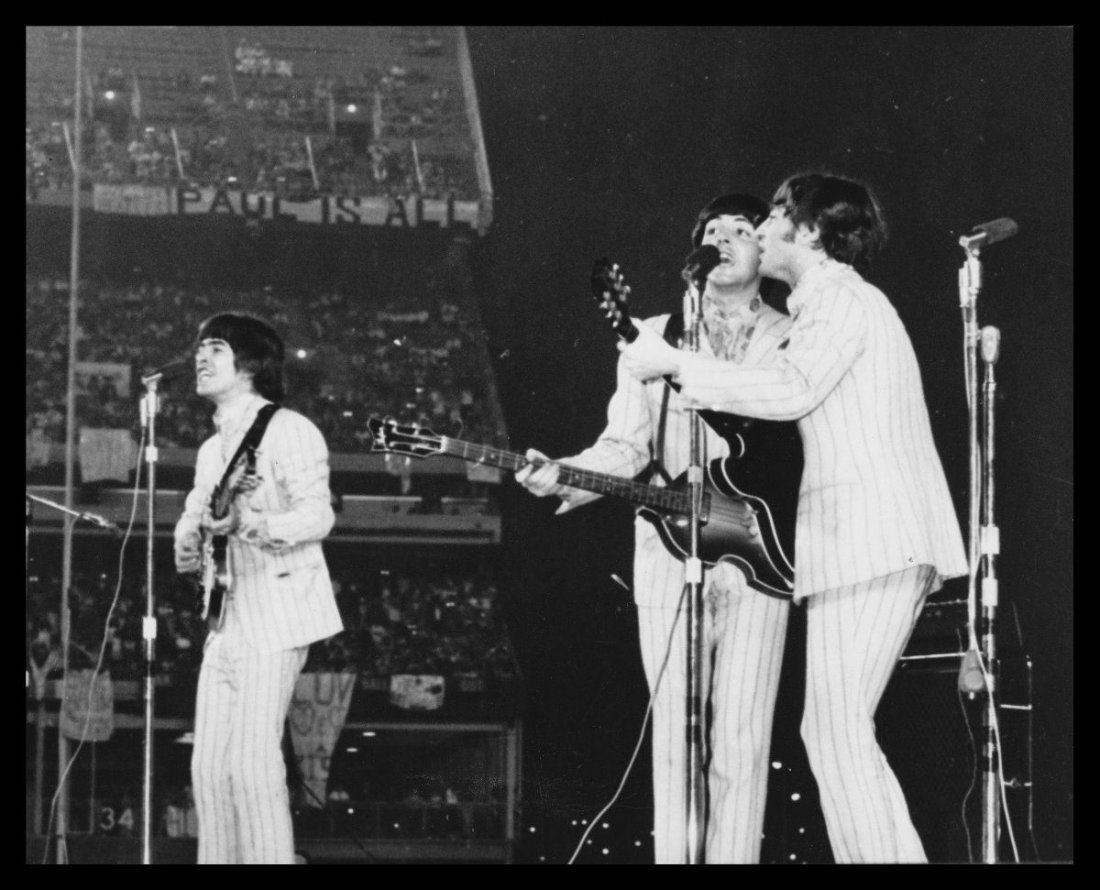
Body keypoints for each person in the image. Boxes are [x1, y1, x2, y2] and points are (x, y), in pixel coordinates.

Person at [617, 172, 969, 863]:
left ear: (809, 232)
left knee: (836, 732)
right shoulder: (829, 304)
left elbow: (791, 389)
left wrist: (676, 365)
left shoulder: (839, 299)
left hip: (871, 540)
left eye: (776, 215)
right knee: (833, 732)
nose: (765, 226)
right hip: (862, 544)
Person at [517, 194, 795, 863]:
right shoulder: (651, 336)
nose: (725, 239)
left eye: (742, 231)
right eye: (712, 230)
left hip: (763, 550)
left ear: (766, 251)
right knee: (675, 732)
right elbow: (624, 446)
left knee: (742, 736)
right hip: (669, 549)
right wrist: (565, 472)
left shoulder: (794, 334)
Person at [174, 312, 343, 864]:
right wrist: (187, 539)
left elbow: (318, 517)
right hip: (226, 618)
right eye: (200, 348)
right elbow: (197, 511)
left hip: (279, 612)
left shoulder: (290, 430)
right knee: (208, 768)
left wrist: (251, 525)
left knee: (251, 760)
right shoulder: (210, 450)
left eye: (215, 349)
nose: (200, 357)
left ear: (249, 365)